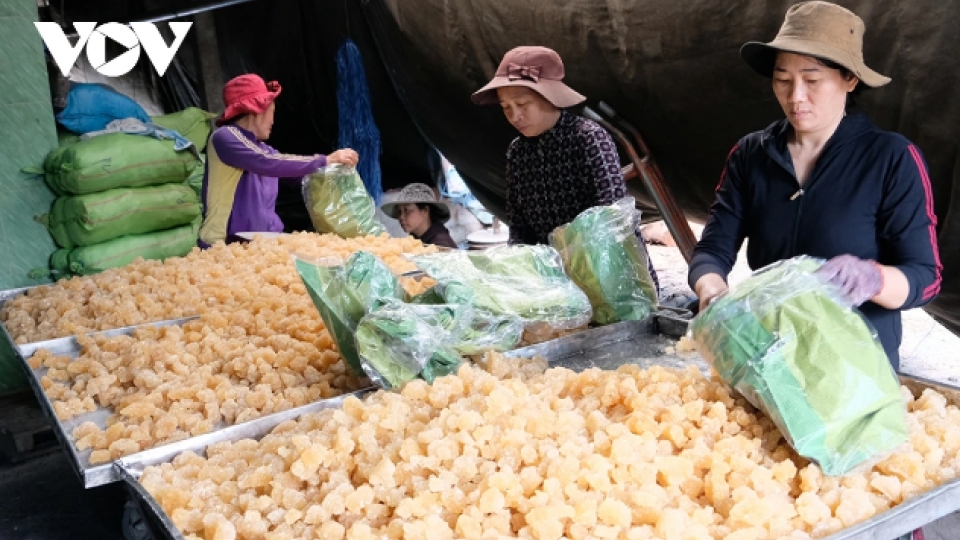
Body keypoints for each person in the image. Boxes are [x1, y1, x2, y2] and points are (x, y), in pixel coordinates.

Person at [689, 1, 941, 378]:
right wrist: (712, 291)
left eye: (812, 79)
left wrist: (873, 278)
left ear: (849, 79)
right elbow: (712, 249)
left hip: (856, 374)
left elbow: (926, 277)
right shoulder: (751, 155)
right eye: (783, 79)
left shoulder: (891, 158)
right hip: (770, 364)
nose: (796, 97)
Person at [471, 46, 659, 292]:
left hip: (611, 277)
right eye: (506, 107)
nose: (514, 115)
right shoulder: (517, 152)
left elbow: (612, 222)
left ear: (550, 97)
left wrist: (580, 269)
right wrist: (520, 272)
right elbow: (519, 226)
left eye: (522, 104)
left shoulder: (589, 139)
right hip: (553, 282)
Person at [198, 74, 359, 248]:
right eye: (271, 113)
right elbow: (267, 162)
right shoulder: (224, 137)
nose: (273, 121)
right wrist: (325, 160)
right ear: (256, 110)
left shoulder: (264, 150)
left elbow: (294, 173)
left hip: (261, 244)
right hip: (224, 245)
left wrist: (334, 173)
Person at [381, 183, 459, 249]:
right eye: (399, 211)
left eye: (407, 210)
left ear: (425, 210)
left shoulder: (440, 245)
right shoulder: (416, 240)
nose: (401, 217)